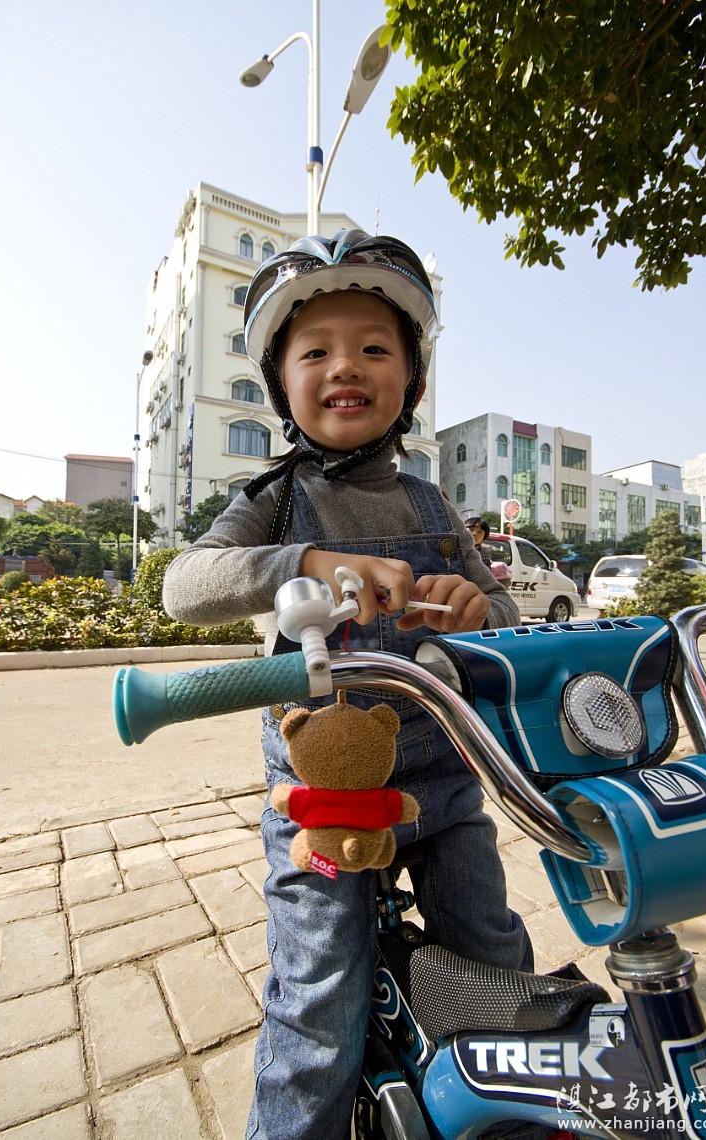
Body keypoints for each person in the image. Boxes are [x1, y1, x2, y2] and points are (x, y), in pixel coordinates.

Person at [162, 229, 532, 1140]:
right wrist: (304, 561)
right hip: (321, 803)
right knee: (320, 997)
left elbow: (500, 614)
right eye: (316, 351)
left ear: (411, 381)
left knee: (495, 960)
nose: (345, 367)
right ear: (281, 383)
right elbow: (185, 586)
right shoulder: (276, 500)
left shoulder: (433, 504)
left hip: (444, 784)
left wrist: (476, 610)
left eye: (374, 347)